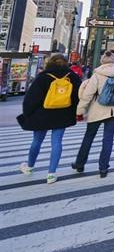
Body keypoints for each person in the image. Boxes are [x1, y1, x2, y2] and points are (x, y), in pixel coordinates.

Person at [18, 53, 81, 184]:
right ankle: (51, 174)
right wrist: (75, 112)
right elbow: (78, 97)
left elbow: (31, 99)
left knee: (37, 141)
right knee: (57, 142)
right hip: (63, 114)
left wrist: (27, 114)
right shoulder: (73, 77)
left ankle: (29, 167)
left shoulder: (42, 77)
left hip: (42, 115)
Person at [72, 51, 114, 178]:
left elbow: (87, 95)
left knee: (89, 137)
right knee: (108, 139)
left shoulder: (97, 75)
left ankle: (80, 163)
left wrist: (80, 111)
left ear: (102, 61)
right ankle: (103, 168)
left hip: (97, 110)